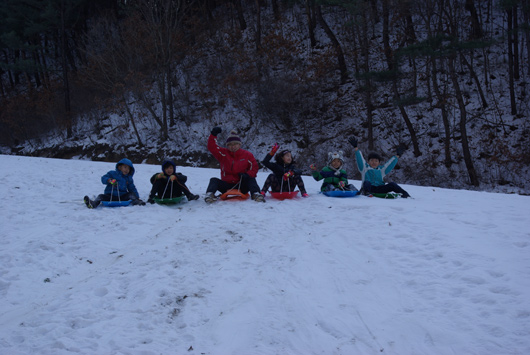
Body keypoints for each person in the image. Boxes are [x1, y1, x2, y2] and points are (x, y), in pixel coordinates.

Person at [204, 127, 264, 203]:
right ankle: (210, 195)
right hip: (226, 184)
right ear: (227, 145)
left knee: (251, 179)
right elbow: (212, 147)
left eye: (235, 144)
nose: (233, 146)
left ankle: (256, 194)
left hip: (241, 184)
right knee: (213, 180)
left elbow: (254, 168)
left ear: (239, 144)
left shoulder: (247, 155)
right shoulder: (223, 153)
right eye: (230, 144)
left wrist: (247, 175)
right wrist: (213, 135)